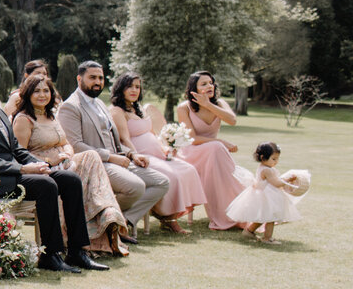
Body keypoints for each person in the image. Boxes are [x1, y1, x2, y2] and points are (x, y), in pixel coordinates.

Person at [0, 60, 108, 273]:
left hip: (13, 173)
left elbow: (16, 149)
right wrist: (24, 170)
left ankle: (77, 251)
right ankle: (49, 255)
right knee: (46, 185)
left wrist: (40, 164)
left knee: (70, 180)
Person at [12, 74, 129, 256]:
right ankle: (88, 226)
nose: (42, 95)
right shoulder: (24, 119)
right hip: (42, 169)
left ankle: (103, 211)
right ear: (28, 94)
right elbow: (21, 155)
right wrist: (51, 161)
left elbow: (65, 142)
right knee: (73, 175)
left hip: (64, 163)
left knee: (91, 156)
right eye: (37, 91)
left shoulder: (50, 116)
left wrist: (67, 153)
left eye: (46, 91)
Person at [57, 61, 168, 241]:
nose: (98, 82)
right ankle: (109, 222)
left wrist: (132, 154)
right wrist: (111, 158)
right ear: (79, 79)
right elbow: (75, 145)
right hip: (95, 164)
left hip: (118, 159)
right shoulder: (71, 106)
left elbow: (114, 141)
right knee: (136, 187)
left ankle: (120, 221)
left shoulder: (100, 103)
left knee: (161, 182)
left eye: (100, 78)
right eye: (92, 77)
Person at [109, 73, 206, 233]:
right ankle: (167, 218)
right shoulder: (118, 111)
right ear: (121, 88)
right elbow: (124, 139)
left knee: (189, 169)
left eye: (137, 87)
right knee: (172, 176)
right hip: (140, 157)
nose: (134, 90)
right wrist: (135, 156)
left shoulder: (138, 108)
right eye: (130, 86)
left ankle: (172, 216)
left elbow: (152, 133)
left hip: (158, 154)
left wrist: (164, 147)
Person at [176, 71, 249, 231]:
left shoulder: (220, 103)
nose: (210, 86)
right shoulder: (184, 108)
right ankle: (222, 215)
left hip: (214, 153)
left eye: (211, 82)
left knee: (216, 151)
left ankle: (242, 210)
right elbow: (192, 139)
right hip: (192, 153)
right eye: (204, 84)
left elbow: (232, 120)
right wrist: (220, 141)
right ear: (193, 89)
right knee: (216, 147)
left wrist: (208, 104)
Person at [227, 142, 309, 244]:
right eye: (273, 159)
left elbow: (275, 180)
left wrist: (284, 179)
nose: (276, 161)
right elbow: (276, 183)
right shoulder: (267, 171)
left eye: (277, 158)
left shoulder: (264, 167)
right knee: (271, 218)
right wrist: (287, 179)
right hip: (268, 197)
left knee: (264, 216)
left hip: (265, 195)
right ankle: (267, 238)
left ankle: (249, 231)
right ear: (263, 157)